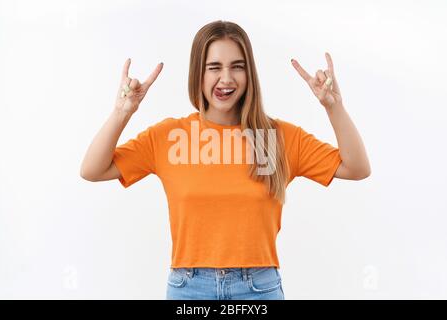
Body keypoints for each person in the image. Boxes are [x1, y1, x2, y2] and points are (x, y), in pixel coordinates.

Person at [80, 20, 371, 300]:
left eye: (237, 67)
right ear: (199, 73)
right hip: (189, 288)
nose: (226, 79)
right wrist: (122, 112)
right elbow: (93, 169)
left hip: (258, 289)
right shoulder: (169, 136)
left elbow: (356, 168)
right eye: (214, 68)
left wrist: (334, 107)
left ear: (249, 74)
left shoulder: (275, 137)